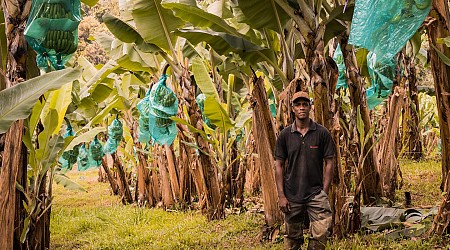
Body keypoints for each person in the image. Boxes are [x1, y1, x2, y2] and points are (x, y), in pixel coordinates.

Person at [274, 91, 336, 250]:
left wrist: (325, 191)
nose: (301, 108)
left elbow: (330, 161)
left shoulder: (322, 133)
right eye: (297, 105)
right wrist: (281, 195)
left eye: (304, 104)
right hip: (291, 194)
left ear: (310, 107)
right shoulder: (285, 135)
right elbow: (279, 165)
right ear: (292, 108)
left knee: (321, 232)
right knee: (292, 238)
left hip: (316, 193)